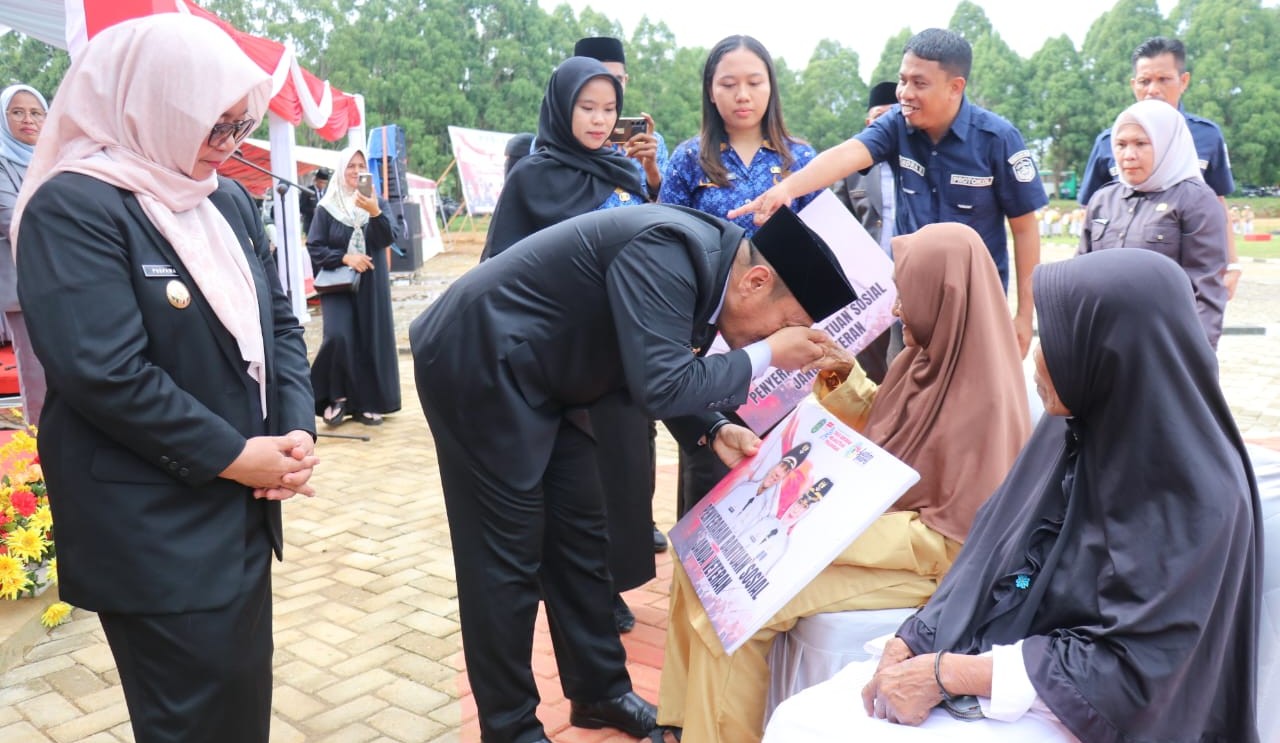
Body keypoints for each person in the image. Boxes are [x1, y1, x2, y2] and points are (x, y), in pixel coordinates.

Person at [763, 249, 1260, 743]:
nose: (1038, 357)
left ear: (1110, 352)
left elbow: (1136, 674)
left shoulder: (1196, 497)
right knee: (801, 719)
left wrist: (951, 674)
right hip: (1008, 664)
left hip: (1096, 712)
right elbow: (990, 557)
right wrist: (913, 639)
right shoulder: (1066, 431)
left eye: (1055, 337)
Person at [410, 204, 853, 743]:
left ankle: (599, 692)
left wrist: (713, 429)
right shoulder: (669, 251)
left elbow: (650, 358)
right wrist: (766, 353)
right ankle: (509, 729)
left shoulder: (707, 264)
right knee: (506, 559)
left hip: (549, 376)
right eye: (789, 325)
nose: (786, 340)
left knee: (580, 535)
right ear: (757, 281)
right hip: (480, 363)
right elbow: (661, 382)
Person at [10, 15, 319, 743]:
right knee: (188, 721)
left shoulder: (223, 197)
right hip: (153, 524)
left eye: (241, 125)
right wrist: (238, 455)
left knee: (239, 704)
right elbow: (106, 372)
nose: (231, 143)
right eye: (215, 123)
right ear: (156, 101)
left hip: (240, 505)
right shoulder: (75, 207)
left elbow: (280, 324)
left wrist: (296, 426)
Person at [657, 222, 1031, 743]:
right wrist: (839, 372)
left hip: (936, 558)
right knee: (704, 557)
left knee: (744, 602)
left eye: (908, 294)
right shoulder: (926, 358)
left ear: (941, 295)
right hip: (885, 526)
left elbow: (955, 535)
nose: (898, 310)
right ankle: (678, 721)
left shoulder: (985, 397)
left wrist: (819, 525)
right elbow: (889, 420)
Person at [729, 28, 1047, 359]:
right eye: (902, 79)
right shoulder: (897, 124)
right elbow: (848, 153)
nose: (905, 93)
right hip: (911, 307)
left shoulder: (997, 139)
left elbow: (1025, 229)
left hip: (977, 307)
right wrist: (787, 189)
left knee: (976, 403)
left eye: (919, 83)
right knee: (905, 399)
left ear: (955, 87)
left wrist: (1025, 316)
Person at [481, 54, 652, 632]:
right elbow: (498, 270)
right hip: (559, 362)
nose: (600, 120)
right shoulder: (533, 177)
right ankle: (581, 593)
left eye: (609, 109)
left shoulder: (622, 172)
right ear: (561, 107)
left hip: (619, 356)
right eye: (587, 107)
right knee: (577, 494)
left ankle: (611, 586)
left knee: (624, 482)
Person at [660, 34, 823, 518]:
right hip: (708, 335)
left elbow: (823, 245)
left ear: (771, 87)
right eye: (728, 84)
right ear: (710, 91)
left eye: (754, 82)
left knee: (780, 461)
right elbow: (665, 240)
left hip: (783, 335)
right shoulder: (691, 159)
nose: (743, 95)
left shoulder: (799, 161)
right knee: (711, 457)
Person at [1078, 36, 1241, 299]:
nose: (1153, 89)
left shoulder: (1206, 135)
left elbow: (1218, 200)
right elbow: (1091, 210)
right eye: (1144, 81)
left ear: (1183, 81)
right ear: (1134, 85)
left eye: (1163, 79)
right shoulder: (1110, 141)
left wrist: (1231, 262)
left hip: (1181, 273)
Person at [1079, 99, 1227, 347]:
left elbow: (1206, 294)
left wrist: (1194, 365)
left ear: (1167, 144)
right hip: (1101, 344)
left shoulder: (1195, 200)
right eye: (1121, 144)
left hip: (1163, 348)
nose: (1128, 155)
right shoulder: (1103, 199)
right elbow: (1079, 277)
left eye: (1141, 144)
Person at [307, 146, 400, 427]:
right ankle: (336, 396)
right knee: (338, 337)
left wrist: (373, 212)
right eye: (350, 165)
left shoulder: (378, 202)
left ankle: (368, 403)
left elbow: (387, 238)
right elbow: (315, 246)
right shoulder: (327, 207)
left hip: (371, 282)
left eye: (361, 165)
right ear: (340, 169)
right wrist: (345, 257)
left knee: (370, 337)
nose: (356, 171)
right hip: (338, 282)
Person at [832, 80, 900, 384]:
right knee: (870, 372)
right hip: (867, 290)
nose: (883, 123)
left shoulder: (920, 166)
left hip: (911, 283)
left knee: (905, 369)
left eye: (892, 115)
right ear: (868, 122)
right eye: (878, 117)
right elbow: (836, 226)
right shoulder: (851, 168)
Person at [0, 83, 48, 425]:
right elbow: (11, 216)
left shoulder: (56, 159)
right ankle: (40, 450)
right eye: (17, 112)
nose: (27, 119)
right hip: (25, 283)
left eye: (36, 112)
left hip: (70, 277)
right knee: (36, 373)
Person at [574, 36, 668, 200]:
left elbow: (665, 213)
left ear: (626, 81)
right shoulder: (554, 146)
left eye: (617, 80)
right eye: (598, 78)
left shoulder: (648, 143)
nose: (609, 87)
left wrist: (652, 173)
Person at [298, 165, 330, 233]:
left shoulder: (328, 192)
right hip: (310, 225)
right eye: (321, 182)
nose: (322, 185)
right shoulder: (308, 191)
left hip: (324, 226)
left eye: (325, 183)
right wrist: (313, 210)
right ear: (316, 180)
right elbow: (301, 207)